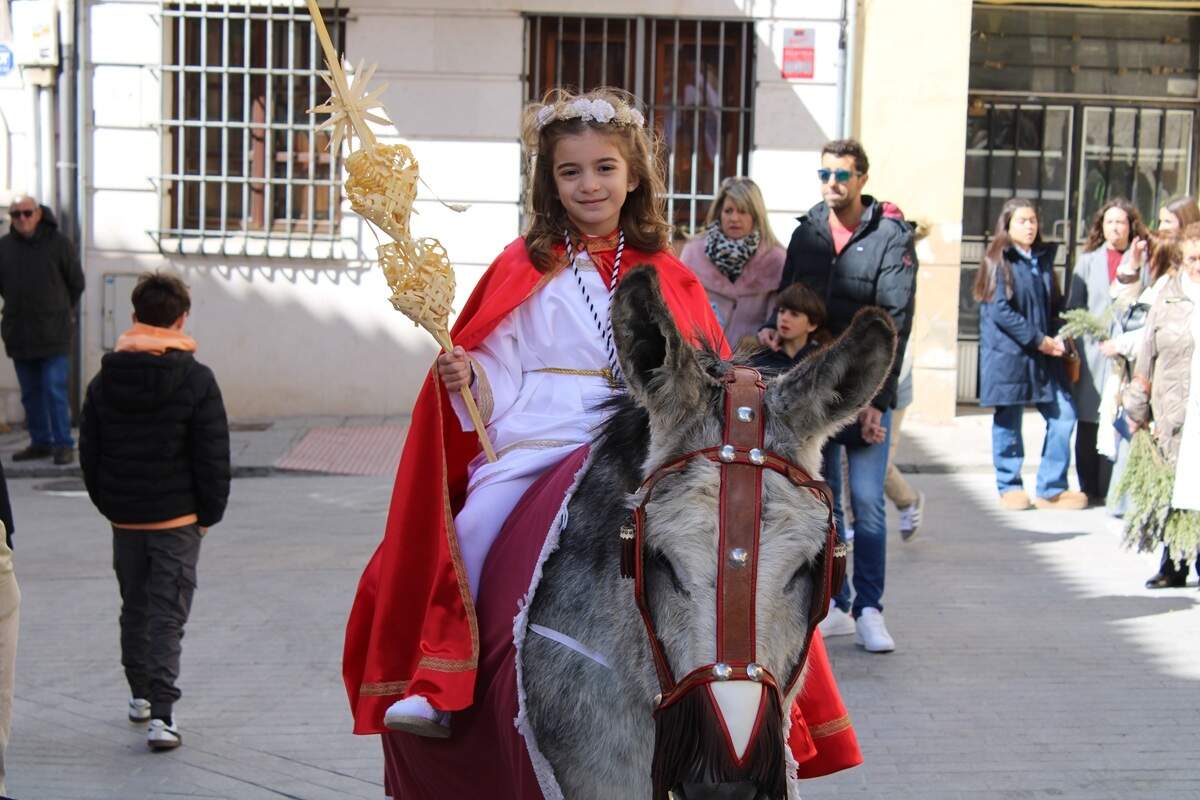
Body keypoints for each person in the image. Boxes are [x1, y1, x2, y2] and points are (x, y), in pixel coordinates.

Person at [343, 89, 862, 777]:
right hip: (540, 434)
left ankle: (775, 703)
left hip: (651, 434)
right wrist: (472, 378)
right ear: (550, 182)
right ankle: (442, 681)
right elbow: (502, 364)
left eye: (604, 168)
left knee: (740, 539)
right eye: (571, 171)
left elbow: (706, 373)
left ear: (633, 174)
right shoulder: (522, 266)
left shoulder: (669, 274)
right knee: (474, 526)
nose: (589, 184)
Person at [757, 138, 917, 653]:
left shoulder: (890, 236)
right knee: (825, 503)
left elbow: (896, 322)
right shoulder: (807, 232)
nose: (832, 183)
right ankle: (840, 604)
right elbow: (788, 295)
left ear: (862, 179)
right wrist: (773, 328)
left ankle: (871, 608)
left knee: (867, 501)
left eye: (842, 175)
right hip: (812, 392)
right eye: (825, 174)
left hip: (865, 389)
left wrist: (877, 399)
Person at [79, 272, 231, 751]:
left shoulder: (104, 380)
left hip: (125, 519)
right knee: (168, 615)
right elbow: (212, 456)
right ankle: (163, 717)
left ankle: (140, 695)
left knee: (135, 607)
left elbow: (90, 453)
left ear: (134, 317)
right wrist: (208, 516)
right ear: (182, 319)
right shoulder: (198, 379)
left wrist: (110, 504)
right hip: (178, 519)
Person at [974, 199, 1087, 512]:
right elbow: (1000, 311)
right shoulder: (998, 260)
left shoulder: (1042, 260)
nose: (1029, 226)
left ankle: (1051, 488)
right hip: (1010, 355)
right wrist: (1038, 340)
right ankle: (1009, 485)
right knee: (1009, 421)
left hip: (1044, 355)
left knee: (1064, 415)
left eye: (1033, 220)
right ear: (1007, 225)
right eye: (1022, 221)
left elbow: (1053, 305)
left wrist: (1060, 335)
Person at [1123, 222, 1200, 589]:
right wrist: (1137, 409)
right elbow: (1146, 356)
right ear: (1181, 260)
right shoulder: (1166, 299)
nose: (1199, 266)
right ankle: (1174, 564)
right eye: (1193, 259)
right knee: (1173, 487)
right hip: (1172, 411)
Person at [1067, 198, 1150, 504]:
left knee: (1120, 414)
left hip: (1128, 351)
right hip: (1093, 351)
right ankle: (1088, 486)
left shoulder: (1142, 260)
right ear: (1101, 227)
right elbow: (1074, 305)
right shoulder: (1088, 260)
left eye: (1121, 222)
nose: (1115, 228)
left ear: (1131, 226)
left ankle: (1113, 487)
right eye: (1109, 222)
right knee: (1089, 418)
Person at [0, 195, 85, 465]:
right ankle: (40, 442)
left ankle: (63, 443)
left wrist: (60, 310)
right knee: (30, 394)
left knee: (53, 389)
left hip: (53, 333)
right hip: (20, 333)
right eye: (16, 214)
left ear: (38, 214)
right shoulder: (4, 247)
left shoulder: (58, 243)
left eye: (27, 213)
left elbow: (76, 282)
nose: (22, 219)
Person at [680, 176, 787, 347]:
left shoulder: (774, 260)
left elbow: (774, 322)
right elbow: (680, 312)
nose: (734, 218)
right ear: (719, 213)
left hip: (752, 357)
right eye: (728, 211)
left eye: (742, 211)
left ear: (756, 215)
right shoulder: (693, 253)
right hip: (700, 354)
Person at [752, 282, 828, 373]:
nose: (784, 318)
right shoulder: (759, 360)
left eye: (794, 314)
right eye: (781, 311)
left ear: (812, 325)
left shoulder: (822, 363)